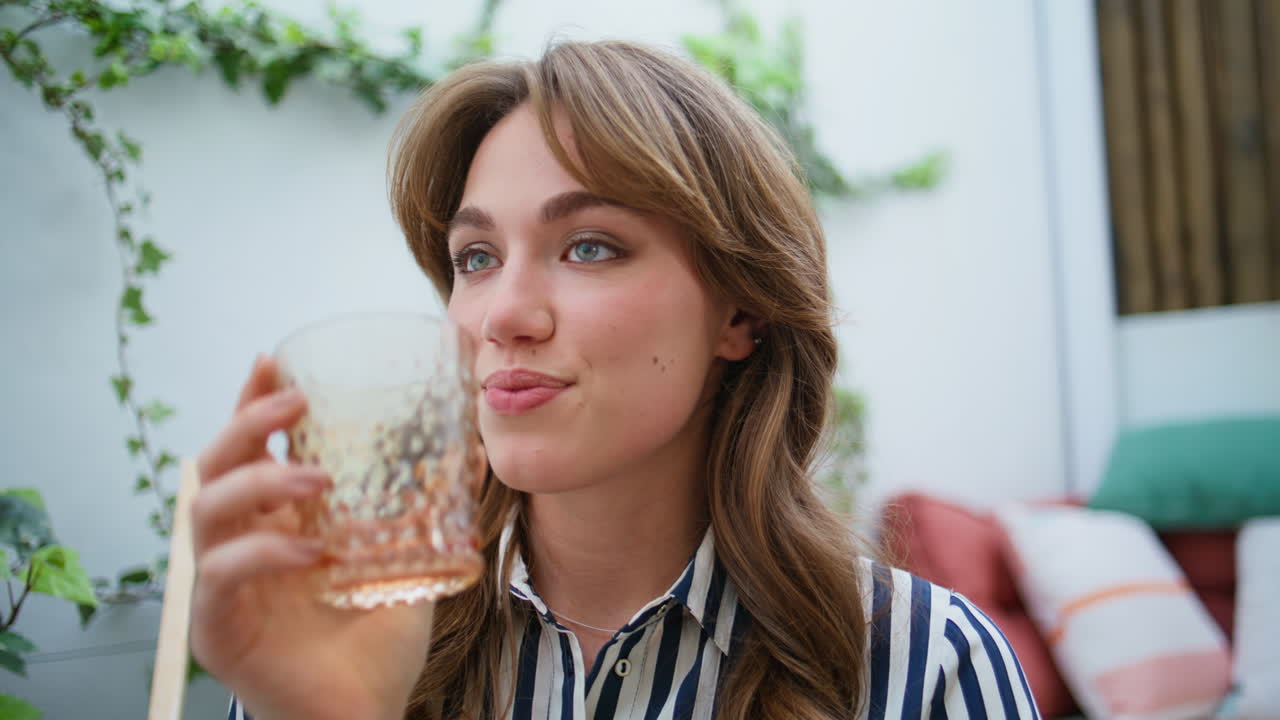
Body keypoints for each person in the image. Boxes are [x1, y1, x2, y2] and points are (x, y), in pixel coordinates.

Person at [190, 40, 1041, 720]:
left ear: (740, 312)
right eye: (476, 258)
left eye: (588, 246)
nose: (503, 314)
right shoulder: (346, 636)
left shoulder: (928, 667)